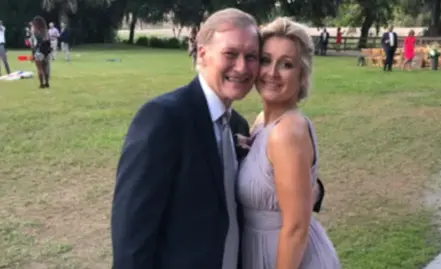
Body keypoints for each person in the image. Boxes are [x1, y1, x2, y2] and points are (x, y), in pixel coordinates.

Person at [111, 8, 259, 269]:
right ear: (202, 54)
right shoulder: (163, 119)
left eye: (251, 57)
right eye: (230, 54)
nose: (242, 67)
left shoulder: (238, 125)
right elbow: (131, 233)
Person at [237, 17, 340, 269]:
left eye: (286, 64)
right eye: (265, 60)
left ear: (301, 75)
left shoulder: (287, 131)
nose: (272, 73)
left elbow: (295, 228)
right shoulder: (263, 122)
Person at [32, 16, 52, 88]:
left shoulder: (35, 32)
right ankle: (47, 83)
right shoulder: (46, 31)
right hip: (46, 52)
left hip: (39, 52)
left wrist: (33, 54)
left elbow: (34, 45)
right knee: (46, 68)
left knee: (39, 69)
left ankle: (41, 84)